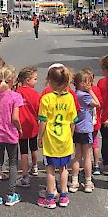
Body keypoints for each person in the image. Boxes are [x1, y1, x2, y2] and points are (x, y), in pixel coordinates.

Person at [37, 65, 76, 209]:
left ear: (49, 81)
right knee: (64, 168)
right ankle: (64, 196)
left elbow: (43, 121)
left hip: (51, 139)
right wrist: (70, 137)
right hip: (65, 138)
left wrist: (39, 137)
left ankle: (50, 197)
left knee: (50, 169)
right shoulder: (70, 98)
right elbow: (73, 122)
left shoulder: (46, 99)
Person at [0, 65, 23, 206]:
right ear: (11, 80)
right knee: (13, 163)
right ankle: (11, 194)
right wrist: (19, 129)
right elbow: (15, 118)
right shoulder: (15, 97)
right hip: (10, 133)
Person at [69, 70, 100, 193]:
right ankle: (88, 181)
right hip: (86, 129)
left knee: (77, 156)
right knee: (87, 156)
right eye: (87, 82)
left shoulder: (75, 94)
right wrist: (90, 91)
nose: (90, 84)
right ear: (81, 83)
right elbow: (97, 103)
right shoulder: (85, 95)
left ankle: (74, 181)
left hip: (77, 128)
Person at [15, 66, 40, 188]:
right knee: (34, 147)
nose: (36, 81)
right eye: (35, 79)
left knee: (23, 151)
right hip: (33, 124)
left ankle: (25, 175)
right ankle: (35, 166)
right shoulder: (35, 94)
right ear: (28, 80)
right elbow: (39, 110)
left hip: (21, 125)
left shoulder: (17, 92)